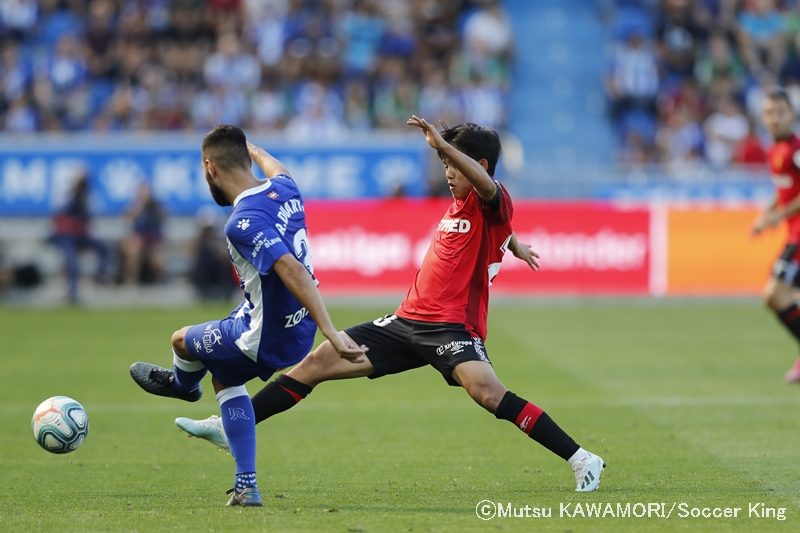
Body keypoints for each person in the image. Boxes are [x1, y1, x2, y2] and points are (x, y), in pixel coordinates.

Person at [176, 116, 606, 492]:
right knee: (315, 365)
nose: (446, 172)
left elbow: (490, 193)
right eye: (442, 163)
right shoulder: (466, 207)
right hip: (405, 323)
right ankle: (232, 424)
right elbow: (492, 224)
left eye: (450, 163)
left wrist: (444, 146)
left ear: (478, 165)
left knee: (488, 393)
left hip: (452, 329)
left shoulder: (494, 200)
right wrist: (513, 242)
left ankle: (582, 459)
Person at [129, 125, 367, 507]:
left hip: (265, 333)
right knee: (225, 374)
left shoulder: (241, 222)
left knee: (180, 340)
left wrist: (333, 332)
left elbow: (291, 269)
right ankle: (246, 487)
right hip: (295, 327)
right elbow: (278, 168)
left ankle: (182, 386)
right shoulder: (286, 189)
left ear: (210, 167)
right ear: (245, 157)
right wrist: (254, 150)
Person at [752, 88, 800, 383]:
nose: (774, 118)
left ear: (791, 115)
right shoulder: (774, 150)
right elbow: (784, 190)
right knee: (778, 296)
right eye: (769, 113)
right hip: (793, 235)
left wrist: (777, 215)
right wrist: (766, 213)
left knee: (774, 294)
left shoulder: (795, 150)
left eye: (780, 112)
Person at [49, 172, 110, 304]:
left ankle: (100, 278)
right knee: (73, 264)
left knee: (104, 249)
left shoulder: (86, 197)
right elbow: (60, 214)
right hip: (67, 236)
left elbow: (88, 218)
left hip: (80, 236)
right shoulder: (70, 196)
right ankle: (72, 293)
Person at [119, 182, 166, 285]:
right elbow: (127, 217)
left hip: (153, 240)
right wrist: (138, 206)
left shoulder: (154, 206)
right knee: (133, 249)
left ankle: (157, 282)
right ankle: (132, 281)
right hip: (139, 239)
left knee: (158, 256)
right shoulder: (136, 205)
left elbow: (163, 219)